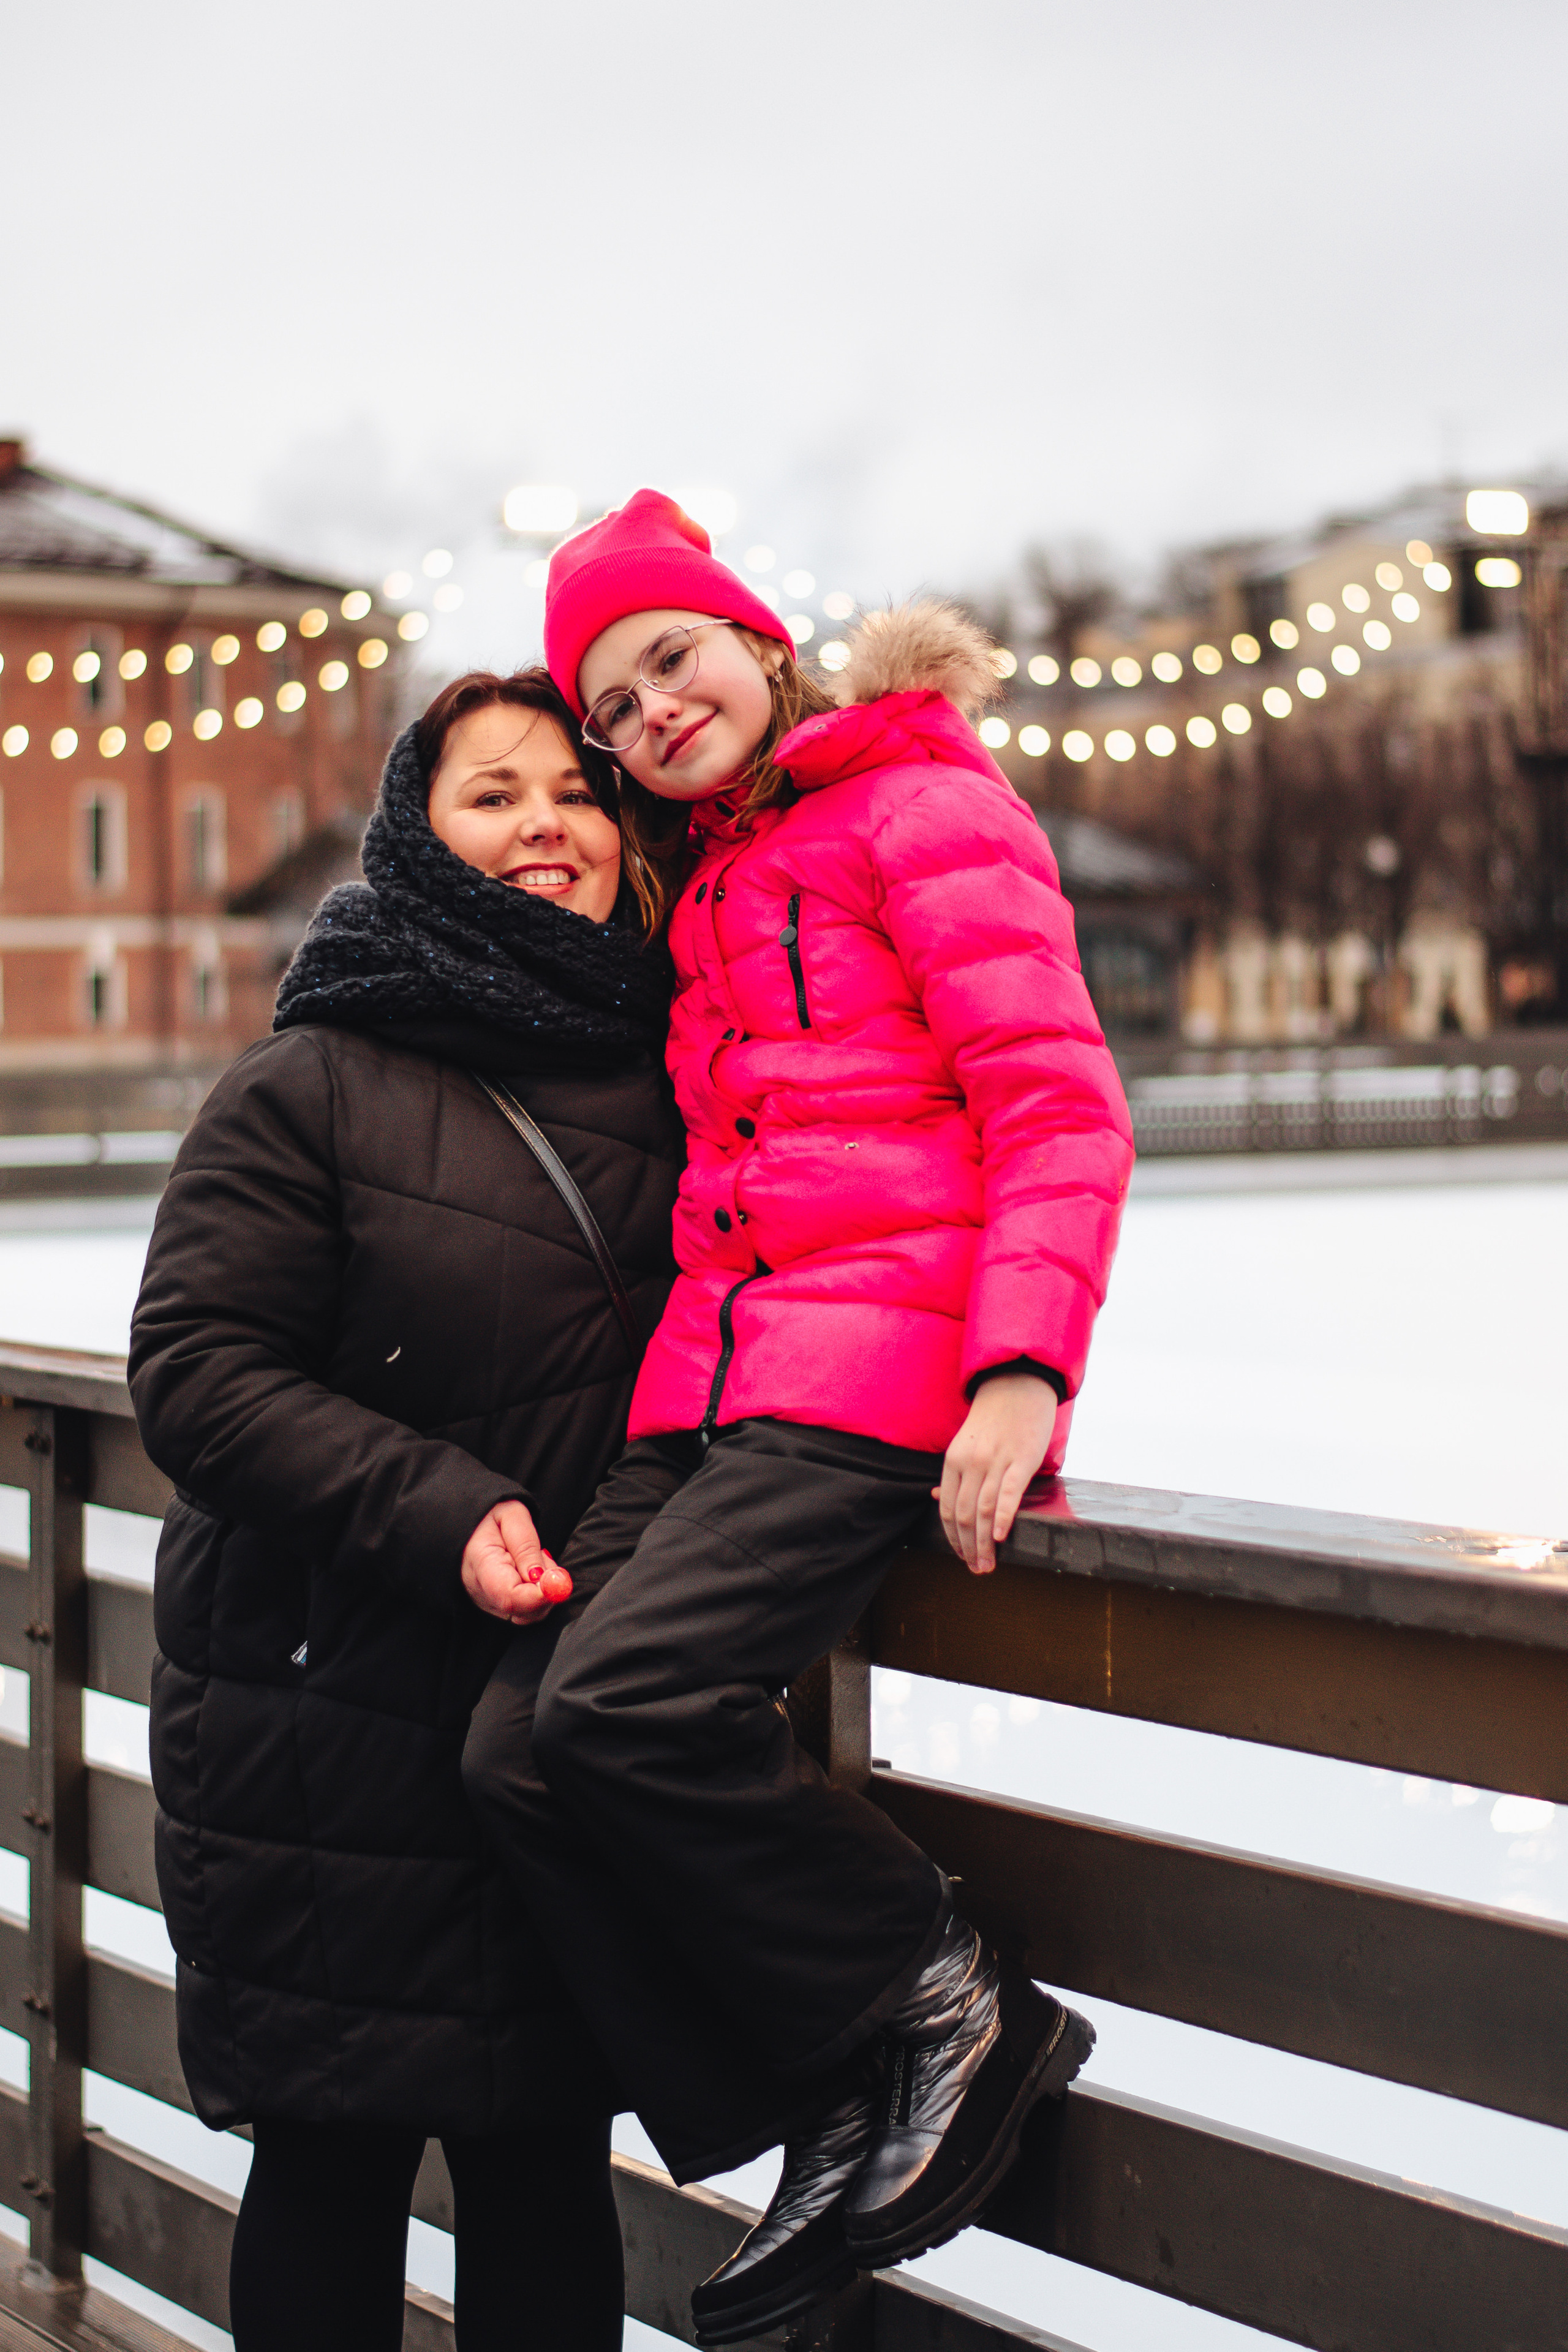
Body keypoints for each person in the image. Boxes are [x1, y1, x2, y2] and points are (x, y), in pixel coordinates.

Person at [462, 491, 1134, 2345]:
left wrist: (1021, 1366)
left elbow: (1056, 1102)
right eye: (613, 704)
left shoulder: (926, 807)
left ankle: (943, 2000)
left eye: (668, 659)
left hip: (879, 1369)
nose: (651, 713)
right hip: (712, 1380)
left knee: (625, 1705)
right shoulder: (711, 881)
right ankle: (828, 2090)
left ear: (754, 638)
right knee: (515, 1758)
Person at [129, 666, 682, 2352]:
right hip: (323, 1712)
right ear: (417, 837)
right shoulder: (311, 1081)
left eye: (577, 794)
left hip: (554, 1723)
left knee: (542, 2166)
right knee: (335, 2156)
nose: (546, 826)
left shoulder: (687, 1079)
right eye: (493, 794)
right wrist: (439, 1507)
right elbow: (198, 1368)